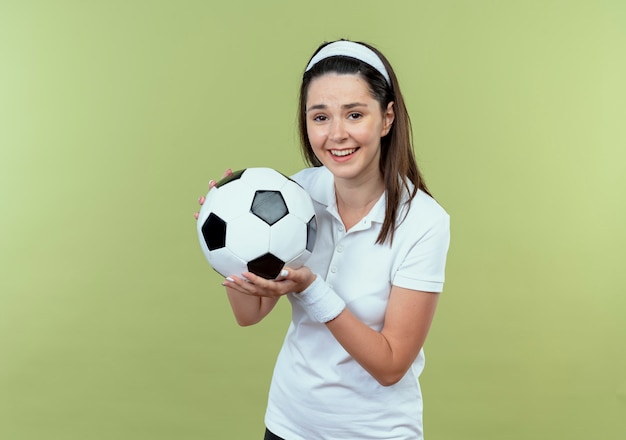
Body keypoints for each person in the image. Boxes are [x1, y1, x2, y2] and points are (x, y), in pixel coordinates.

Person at [196, 39, 450, 440]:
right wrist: (230, 241)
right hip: (287, 425)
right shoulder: (295, 194)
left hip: (377, 433)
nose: (336, 135)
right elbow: (249, 314)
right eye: (320, 117)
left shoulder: (423, 222)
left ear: (386, 119)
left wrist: (312, 288)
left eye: (354, 114)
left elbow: (391, 365)